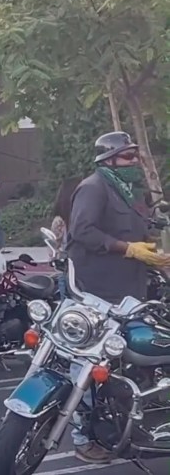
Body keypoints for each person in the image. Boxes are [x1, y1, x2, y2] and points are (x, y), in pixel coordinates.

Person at [66, 131, 170, 464]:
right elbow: (81, 231)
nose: (135, 162)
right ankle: (82, 436)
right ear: (108, 160)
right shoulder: (93, 188)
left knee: (126, 362)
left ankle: (120, 427)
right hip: (97, 293)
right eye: (128, 157)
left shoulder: (129, 192)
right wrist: (128, 249)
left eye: (135, 156)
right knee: (84, 365)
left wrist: (156, 255)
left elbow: (141, 234)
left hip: (129, 294)